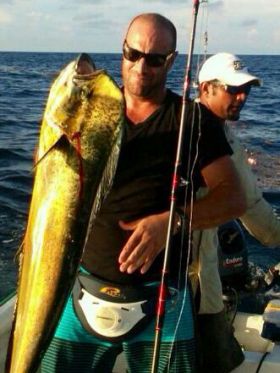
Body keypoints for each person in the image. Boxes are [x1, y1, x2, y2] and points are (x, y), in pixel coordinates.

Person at [42, 15, 246, 373]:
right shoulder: (91, 114)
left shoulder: (192, 120)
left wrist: (173, 220)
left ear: (171, 60)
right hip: (81, 290)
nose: (140, 66)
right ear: (122, 49)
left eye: (154, 59)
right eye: (132, 53)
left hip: (161, 300)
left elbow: (234, 197)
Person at [190, 52, 280, 373]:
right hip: (178, 288)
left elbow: (252, 206)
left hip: (205, 287)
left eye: (247, 89)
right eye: (233, 89)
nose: (242, 96)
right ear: (205, 89)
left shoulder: (226, 137)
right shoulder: (185, 130)